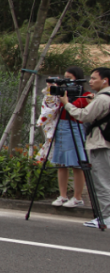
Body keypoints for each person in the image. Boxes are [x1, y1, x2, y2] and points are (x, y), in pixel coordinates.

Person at [60, 67, 110, 229]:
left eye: (94, 78)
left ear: (105, 80)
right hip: (106, 143)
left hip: (100, 144)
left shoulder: (102, 99)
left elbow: (84, 116)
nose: (90, 81)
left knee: (102, 183)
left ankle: (106, 218)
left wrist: (66, 104)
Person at [46, 66, 88, 208]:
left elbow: (74, 109)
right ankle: (63, 195)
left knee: (76, 164)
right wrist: (52, 91)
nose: (67, 81)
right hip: (61, 127)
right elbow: (51, 108)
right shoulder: (61, 93)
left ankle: (77, 197)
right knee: (61, 163)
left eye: (70, 78)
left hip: (75, 127)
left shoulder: (85, 94)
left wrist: (65, 100)